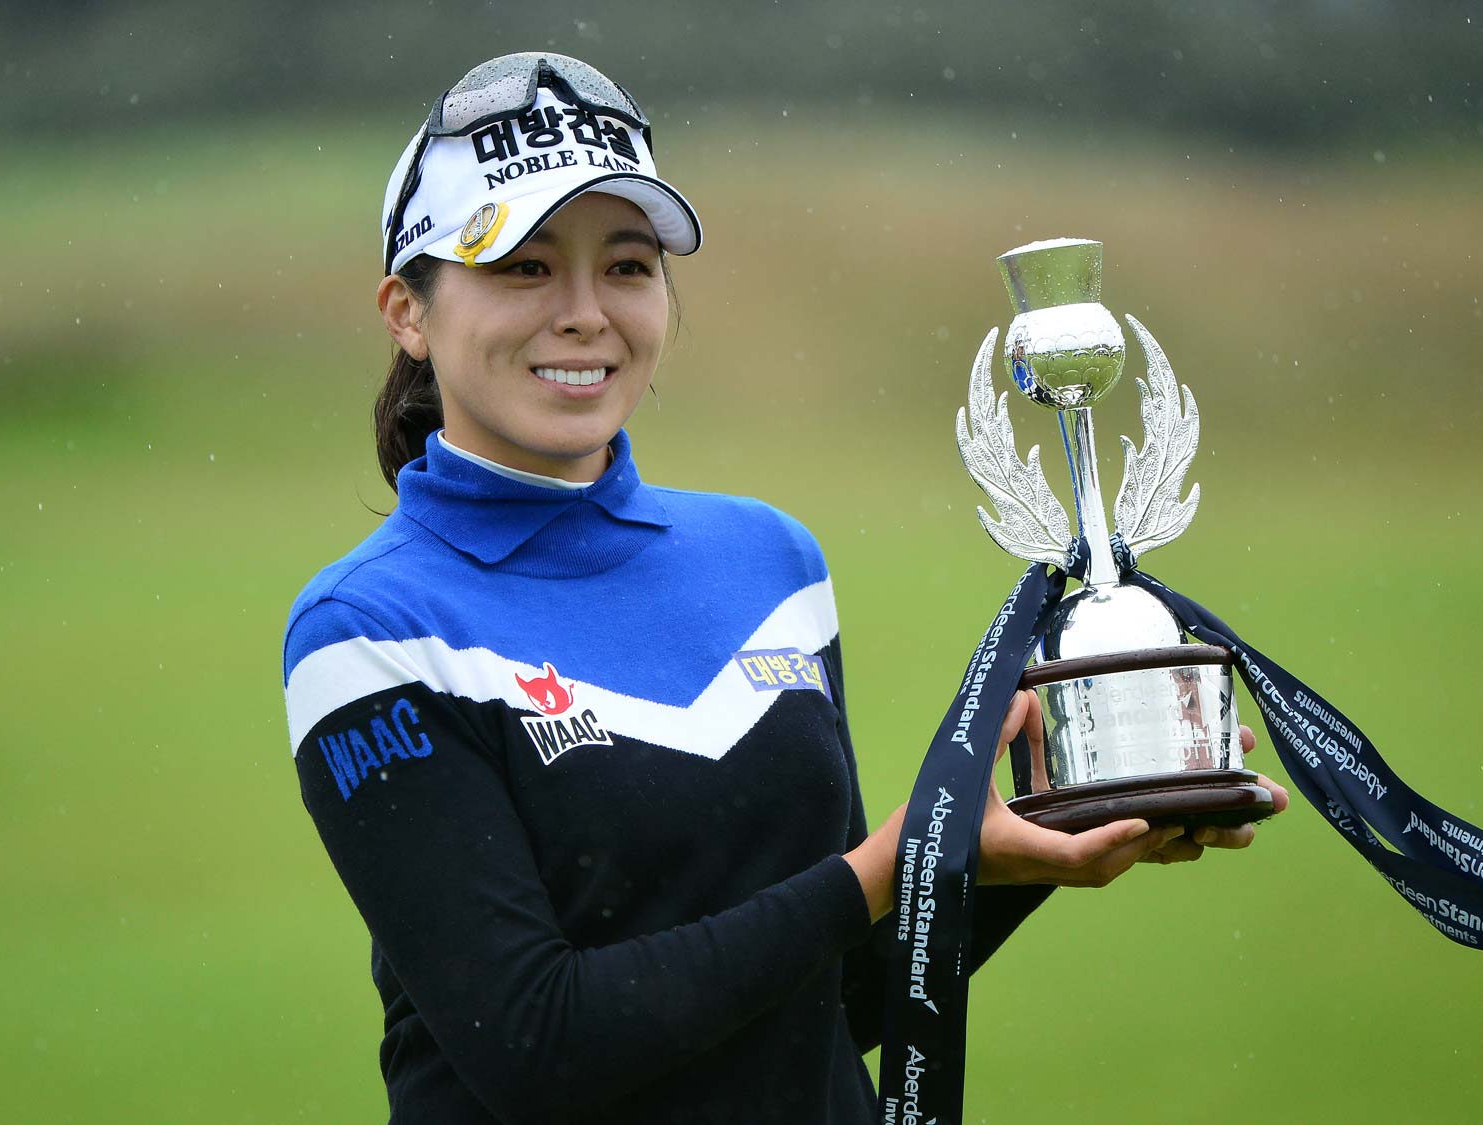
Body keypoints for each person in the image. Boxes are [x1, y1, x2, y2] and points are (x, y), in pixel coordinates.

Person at [280, 52, 1288, 1125]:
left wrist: (1043, 827)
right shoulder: (368, 628)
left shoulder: (768, 560)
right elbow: (539, 1045)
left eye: (625, 266)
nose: (583, 313)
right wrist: (877, 868)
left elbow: (825, 997)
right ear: (406, 311)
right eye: (523, 268)